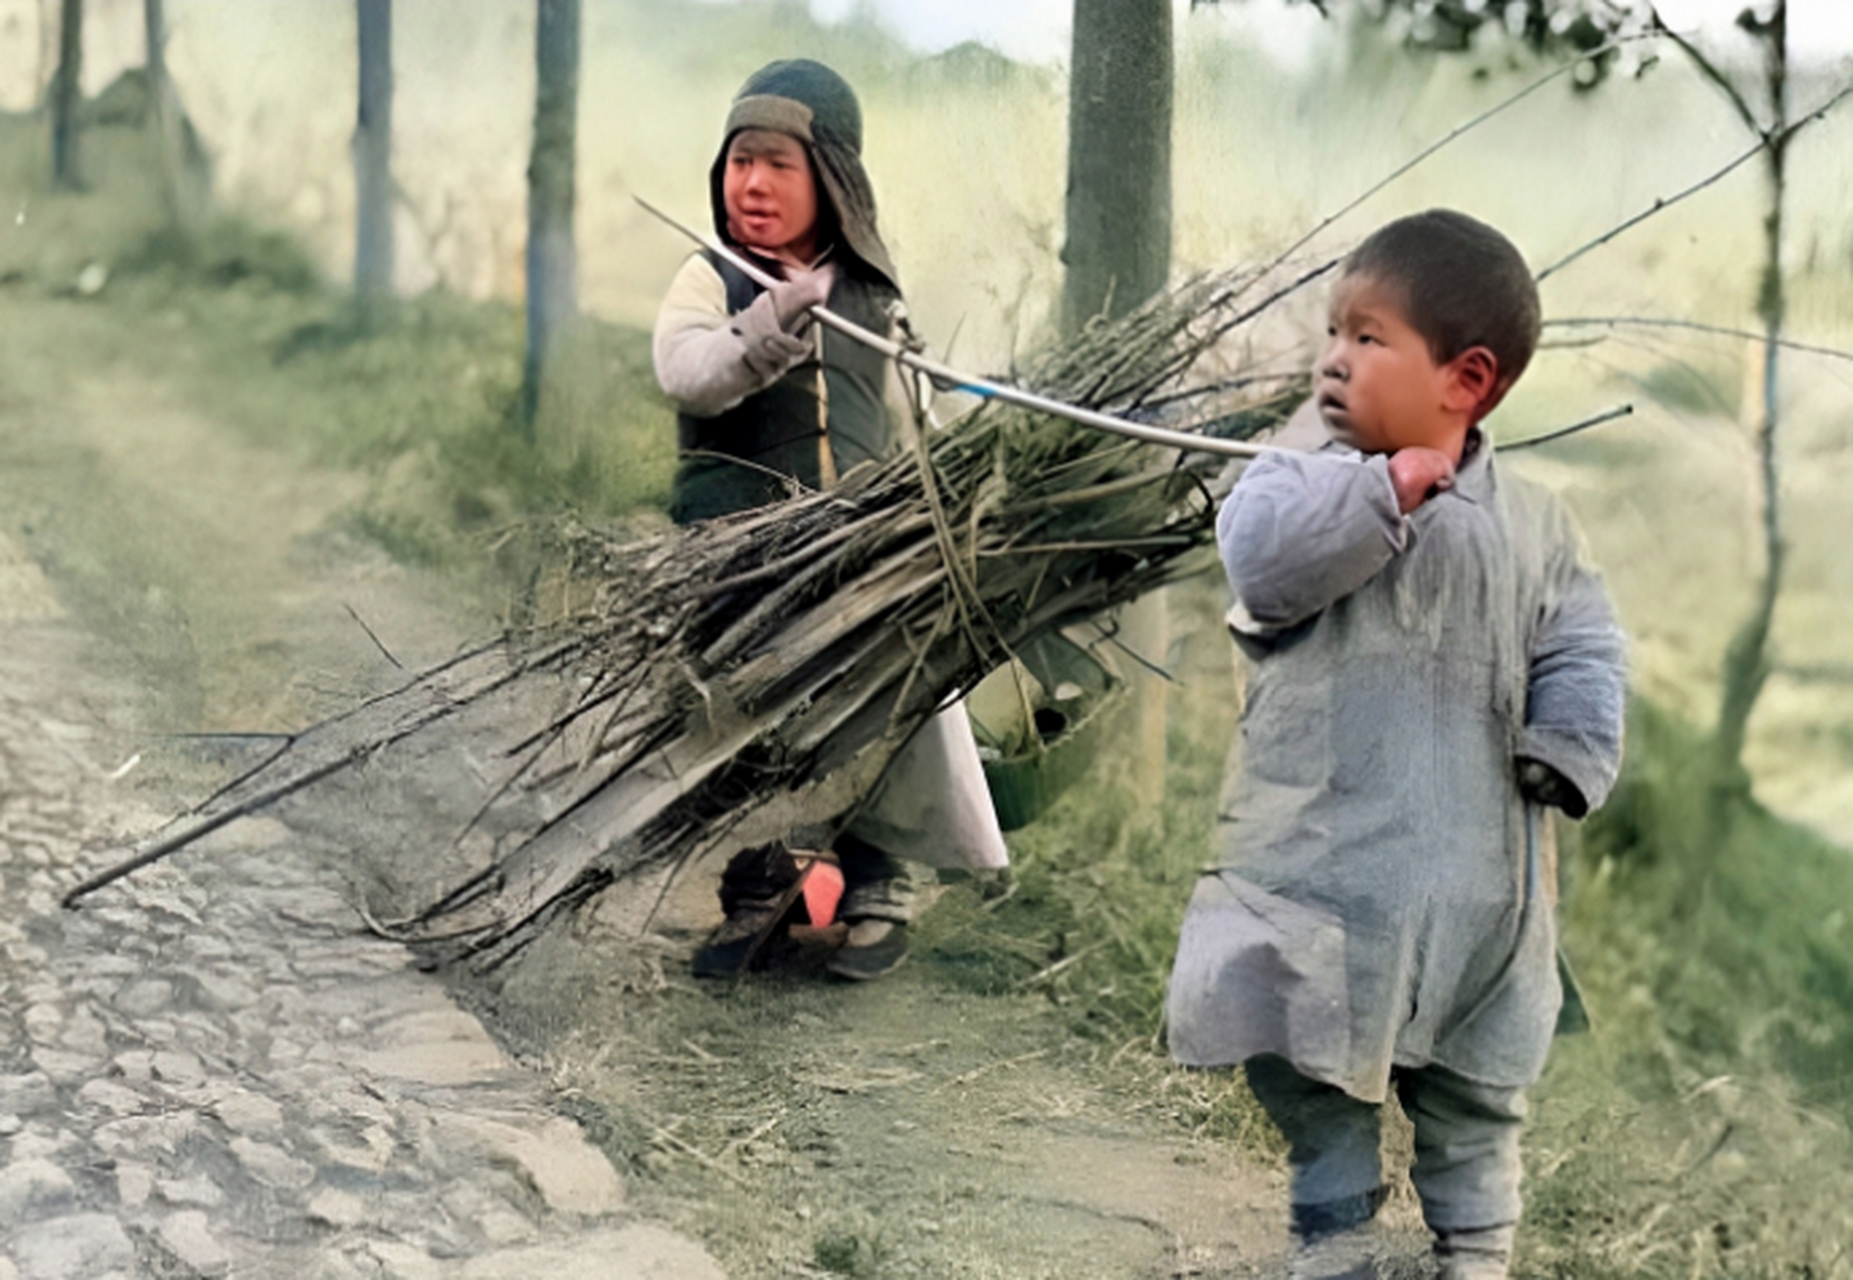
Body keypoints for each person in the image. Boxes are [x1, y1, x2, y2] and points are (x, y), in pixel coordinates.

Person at [1164, 210, 1627, 1279]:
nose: (1331, 356)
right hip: (1321, 866)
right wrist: (1377, 491)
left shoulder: (1537, 523)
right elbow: (1262, 564)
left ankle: (1473, 1250)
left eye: (1366, 337)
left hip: (1478, 880)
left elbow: (1585, 636)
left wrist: (1566, 739)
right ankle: (1337, 1238)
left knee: (1475, 1086)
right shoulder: (1293, 475)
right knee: (1307, 1063)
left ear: (1466, 380)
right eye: (1330, 330)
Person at [652, 58, 1008, 982]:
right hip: (739, 559)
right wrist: (766, 323)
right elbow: (686, 371)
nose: (753, 184)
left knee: (896, 691)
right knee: (753, 718)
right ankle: (763, 881)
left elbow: (907, 425)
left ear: (833, 181)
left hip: (855, 559)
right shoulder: (708, 280)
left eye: (779, 164)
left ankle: (880, 879)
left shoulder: (873, 300)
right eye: (740, 162)